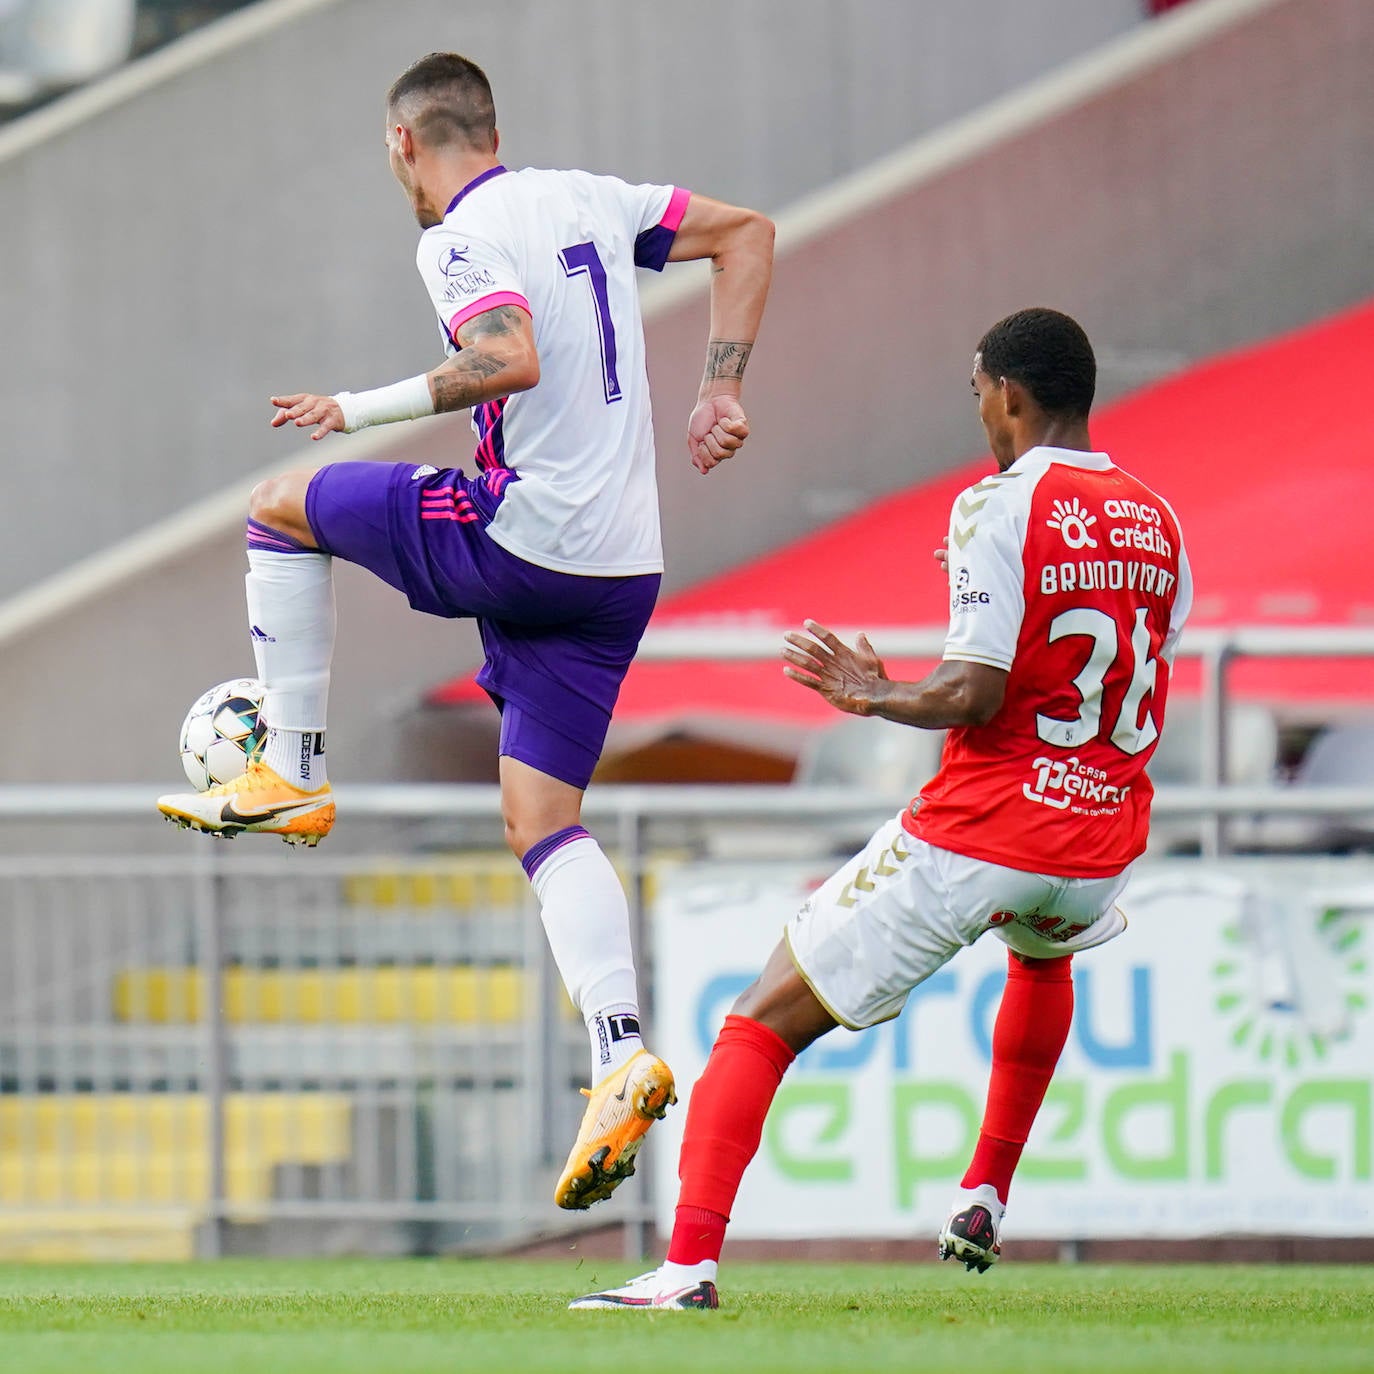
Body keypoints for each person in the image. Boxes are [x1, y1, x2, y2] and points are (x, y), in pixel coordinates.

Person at [157, 51, 774, 1212]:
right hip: (619, 570)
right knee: (542, 816)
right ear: (492, 125)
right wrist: (723, 386)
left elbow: (508, 357)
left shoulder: (456, 236)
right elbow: (749, 233)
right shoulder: (596, 197)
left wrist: (356, 409)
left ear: (404, 145)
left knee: (282, 506)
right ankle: (620, 1050)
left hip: (528, 538)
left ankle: (290, 768)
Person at [571, 306, 1193, 1310]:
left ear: (1013, 395)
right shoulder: (1160, 520)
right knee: (1045, 949)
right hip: (1098, 846)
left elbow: (973, 694)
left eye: (979, 390)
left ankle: (685, 1267)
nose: (980, 410)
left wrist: (872, 696)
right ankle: (986, 1186)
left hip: (988, 827)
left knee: (756, 1021)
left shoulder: (995, 506)